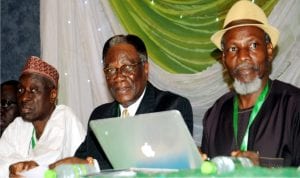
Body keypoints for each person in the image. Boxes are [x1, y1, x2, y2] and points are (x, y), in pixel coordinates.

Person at [49, 34, 193, 170]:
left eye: (128, 67)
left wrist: (94, 167)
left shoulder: (171, 108)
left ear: (145, 68)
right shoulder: (99, 115)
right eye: (111, 70)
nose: (118, 77)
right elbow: (79, 162)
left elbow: (165, 166)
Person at [201, 0, 300, 167]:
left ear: (269, 50)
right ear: (224, 58)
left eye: (253, 45)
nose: (242, 56)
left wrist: (264, 169)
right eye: (233, 48)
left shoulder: (294, 105)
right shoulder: (215, 114)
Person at [0, 56, 86, 177]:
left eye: (34, 90)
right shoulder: (18, 126)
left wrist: (30, 168)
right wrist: (15, 168)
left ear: (52, 95)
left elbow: (81, 167)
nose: (24, 97)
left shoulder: (66, 119)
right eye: (20, 90)